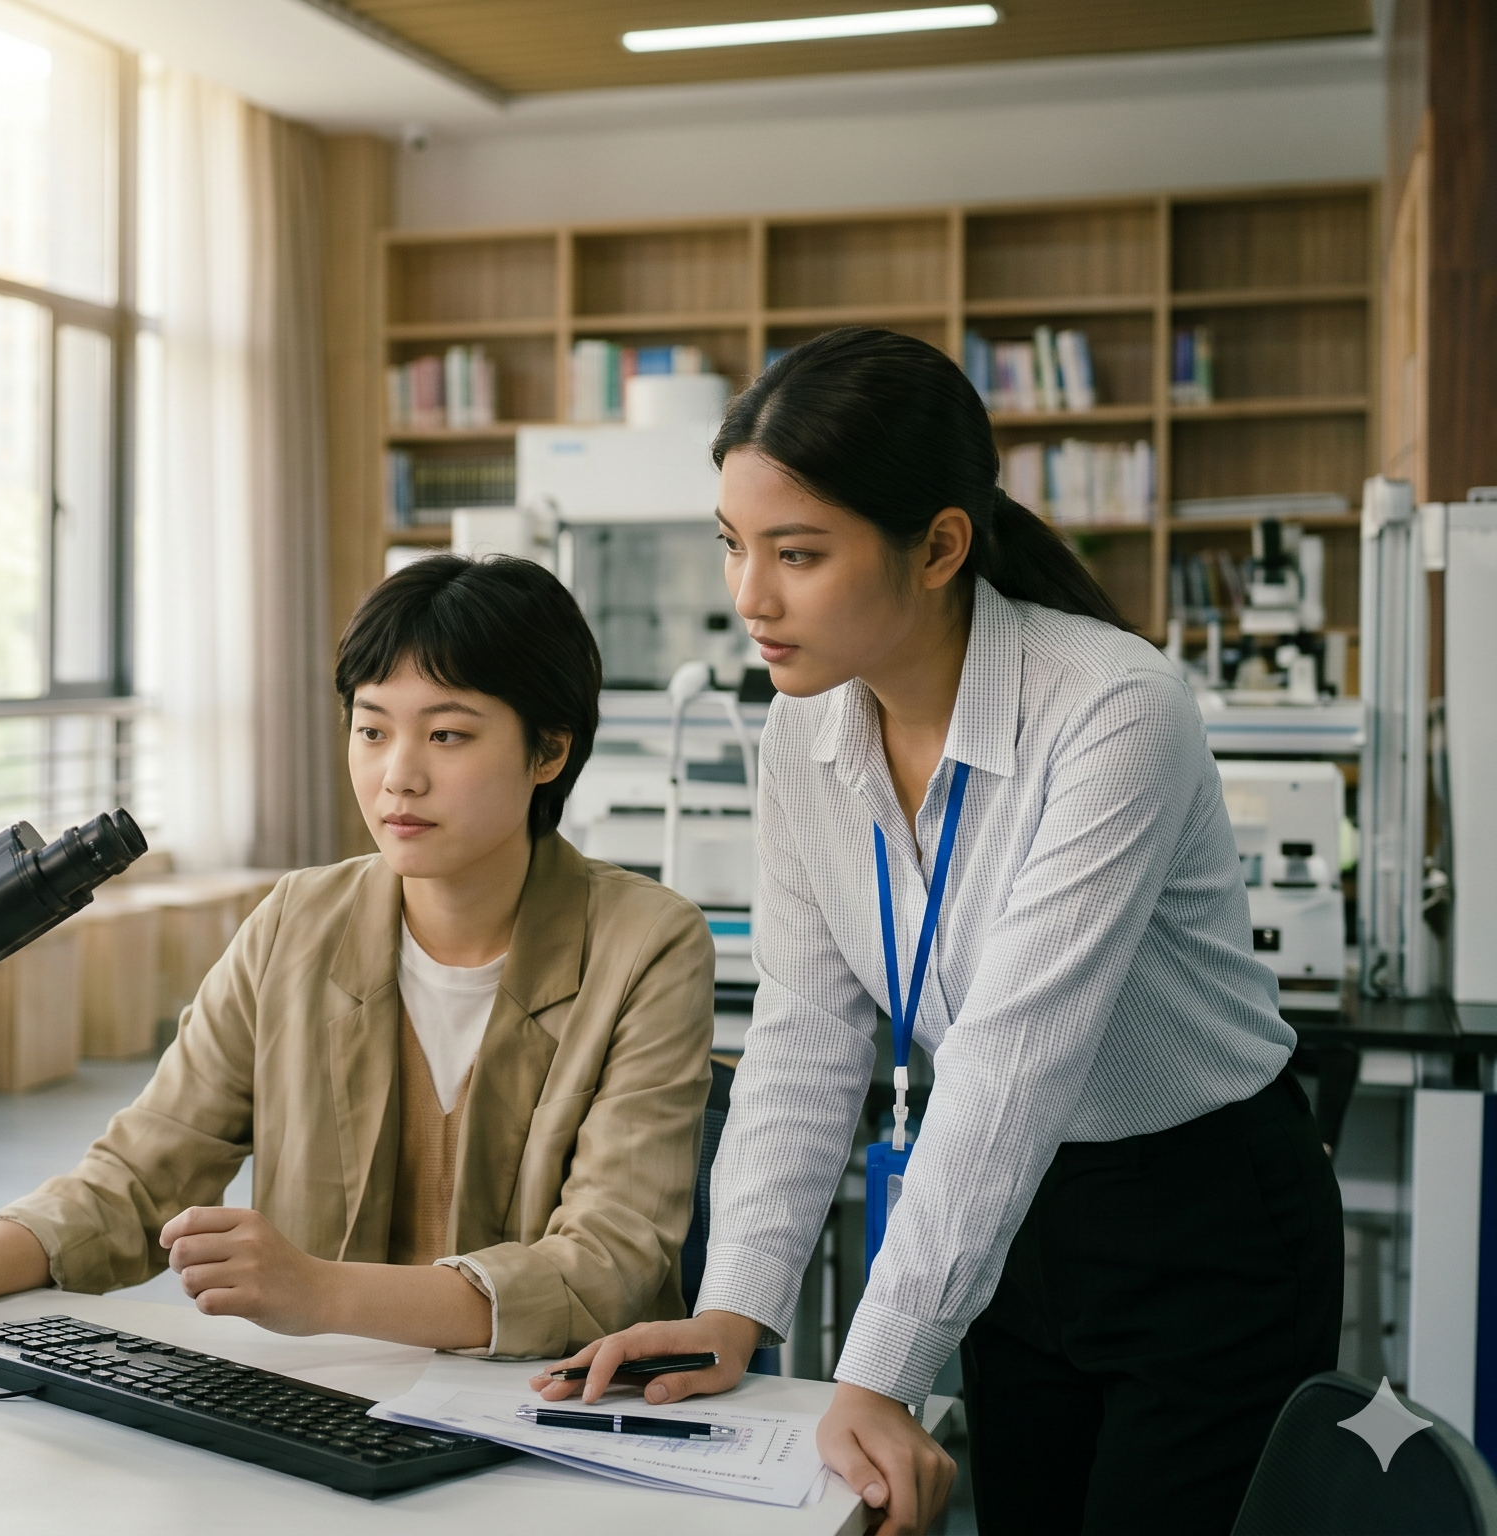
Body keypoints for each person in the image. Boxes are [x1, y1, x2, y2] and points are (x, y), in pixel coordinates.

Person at [547, 327, 1341, 1536]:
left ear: (937, 547)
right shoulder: (799, 736)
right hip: (1007, 1223)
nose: (748, 598)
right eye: (732, 547)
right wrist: (735, 1310)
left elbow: (1010, 1063)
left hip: (1198, 1220)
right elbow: (806, 1038)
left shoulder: (1110, 708)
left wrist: (878, 1371)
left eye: (796, 554)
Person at [0, 554, 714, 1355]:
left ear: (549, 749)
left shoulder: (648, 945)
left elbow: (607, 1266)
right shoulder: (296, 923)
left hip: (556, 1423)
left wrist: (320, 1292)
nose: (399, 773)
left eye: (448, 734)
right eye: (372, 727)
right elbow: (141, 1175)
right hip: (324, 1405)